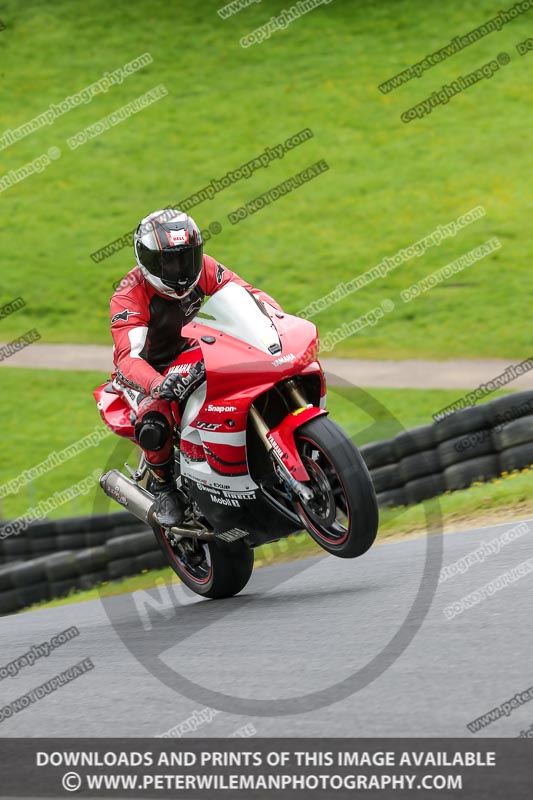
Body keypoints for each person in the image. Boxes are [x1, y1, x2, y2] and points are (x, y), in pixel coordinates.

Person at [110, 209, 280, 528]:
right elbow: (127, 359)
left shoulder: (204, 268)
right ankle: (163, 487)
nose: (181, 269)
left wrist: (276, 319)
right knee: (155, 422)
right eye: (170, 262)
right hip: (147, 372)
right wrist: (158, 384)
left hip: (193, 350)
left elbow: (247, 294)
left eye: (186, 258)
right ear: (147, 260)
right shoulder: (128, 295)